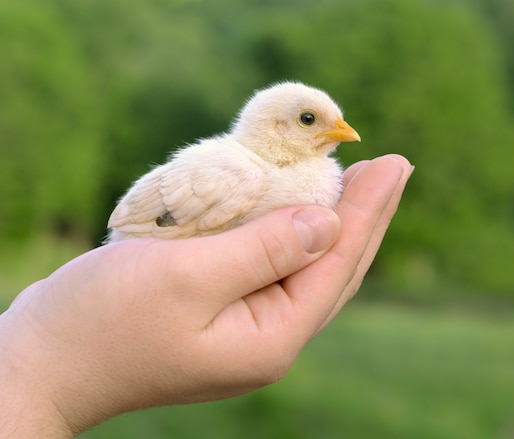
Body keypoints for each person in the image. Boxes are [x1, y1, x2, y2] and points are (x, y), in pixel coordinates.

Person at [0, 154, 412, 438]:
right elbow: (133, 216)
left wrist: (37, 355)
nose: (340, 131)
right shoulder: (238, 172)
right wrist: (46, 368)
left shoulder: (291, 177)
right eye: (309, 120)